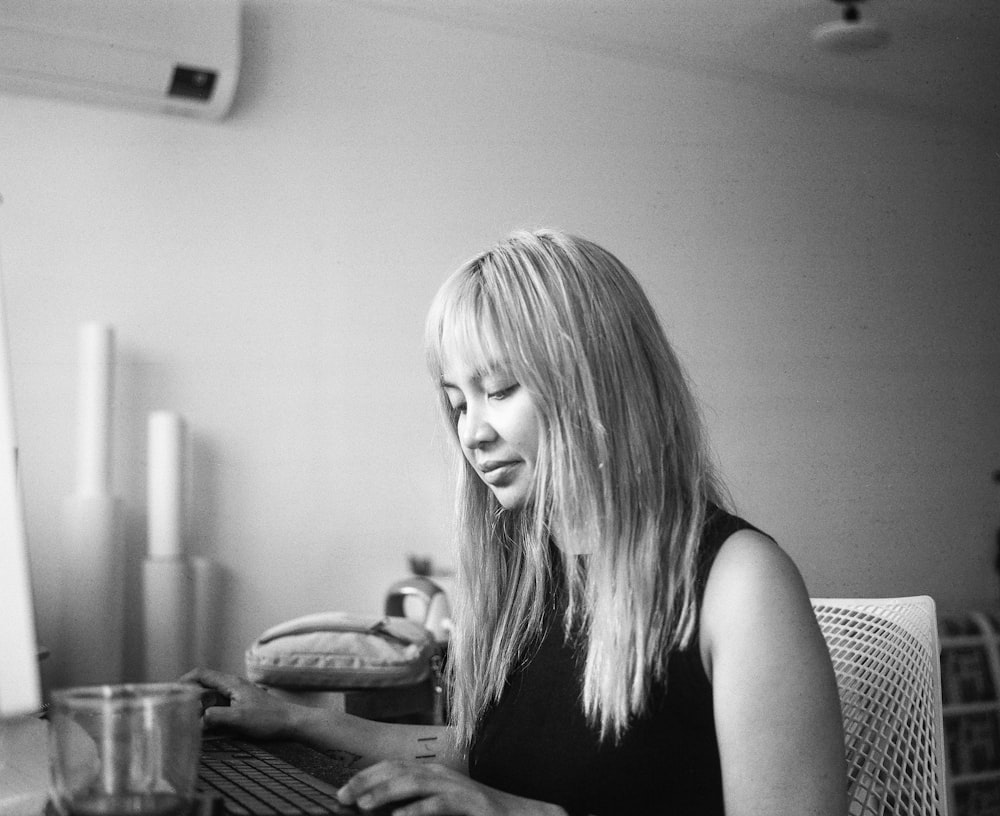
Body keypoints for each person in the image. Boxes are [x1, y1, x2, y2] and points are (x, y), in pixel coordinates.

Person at [187, 229, 847, 816]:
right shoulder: (534, 575)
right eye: (457, 402)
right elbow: (482, 753)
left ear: (596, 378)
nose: (471, 432)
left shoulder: (740, 583)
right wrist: (295, 721)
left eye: (499, 391)